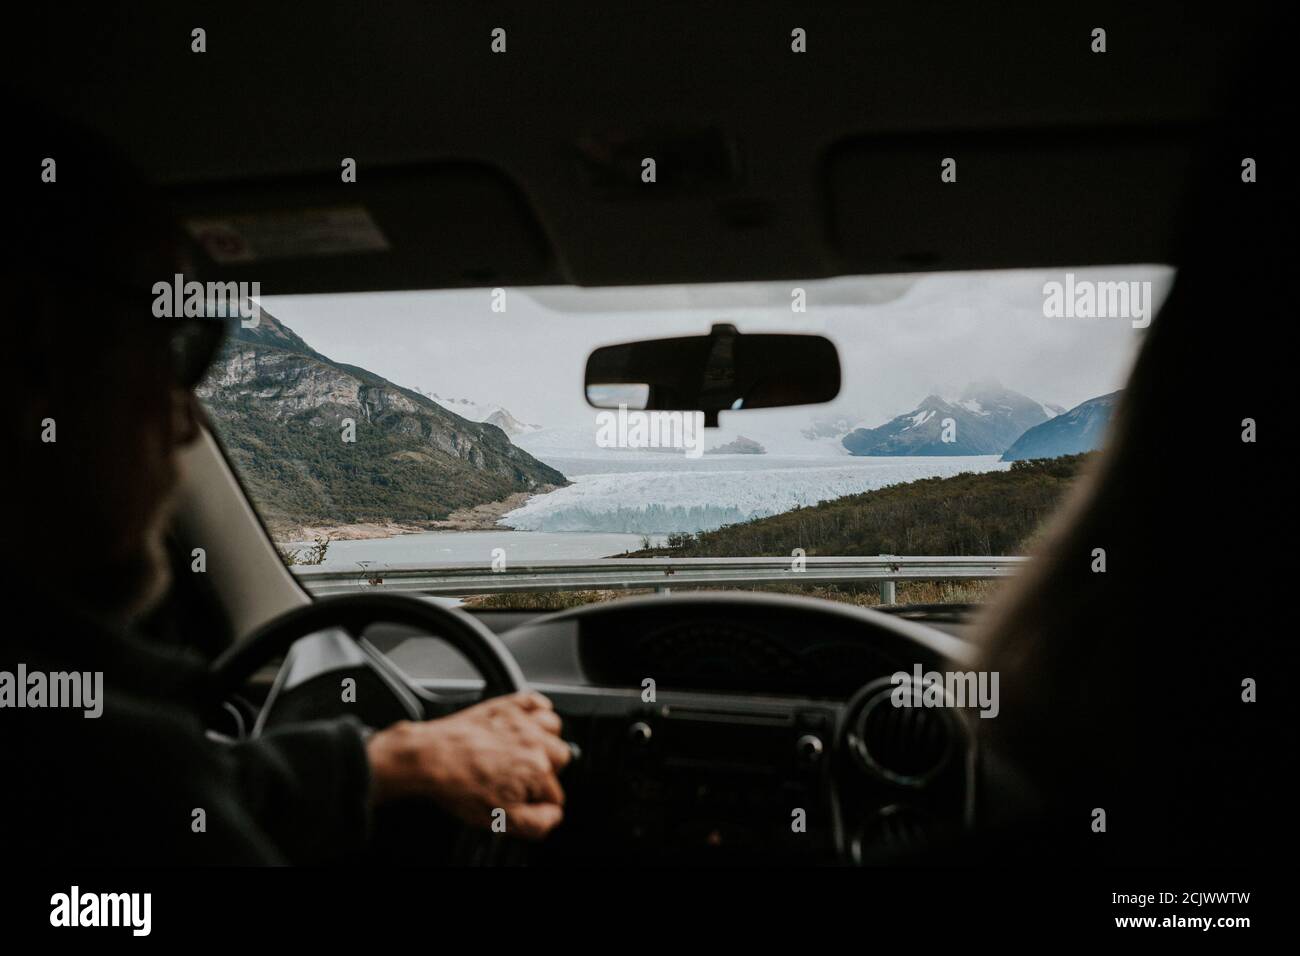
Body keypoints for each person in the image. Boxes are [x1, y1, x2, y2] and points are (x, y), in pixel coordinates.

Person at [0, 108, 569, 864]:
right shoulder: (108, 769)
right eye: (176, 347)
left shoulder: (81, 756)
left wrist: (391, 763)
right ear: (37, 348)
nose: (184, 425)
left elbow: (196, 792)